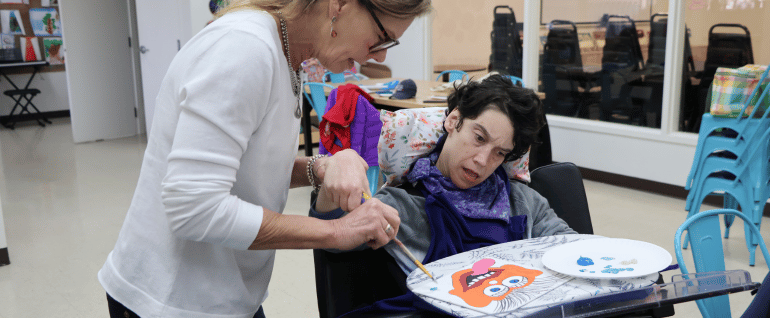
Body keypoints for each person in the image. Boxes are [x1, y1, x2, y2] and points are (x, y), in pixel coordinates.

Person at [98, 0, 432, 317]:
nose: (377, 56)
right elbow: (194, 207)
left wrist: (320, 168)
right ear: (339, 5)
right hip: (171, 298)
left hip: (226, 291)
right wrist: (336, 231)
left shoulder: (286, 53)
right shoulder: (244, 50)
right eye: (381, 39)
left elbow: (247, 165)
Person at [311, 74, 577, 316]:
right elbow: (330, 237)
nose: (483, 160)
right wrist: (334, 169)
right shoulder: (401, 205)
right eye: (479, 138)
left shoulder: (524, 202)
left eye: (500, 152)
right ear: (453, 120)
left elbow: (575, 251)